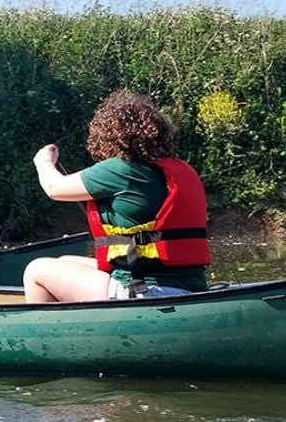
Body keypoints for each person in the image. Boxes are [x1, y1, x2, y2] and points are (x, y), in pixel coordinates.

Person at [23, 90, 211, 302]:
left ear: (107, 136)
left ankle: (54, 325)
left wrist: (43, 162)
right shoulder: (181, 170)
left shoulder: (121, 169)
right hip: (191, 286)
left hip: (146, 290)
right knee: (65, 260)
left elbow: (54, 187)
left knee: (36, 271)